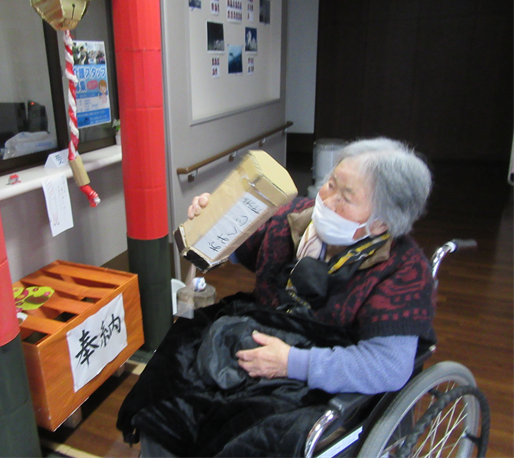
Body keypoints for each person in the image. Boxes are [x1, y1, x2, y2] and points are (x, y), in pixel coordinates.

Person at [118, 137, 435, 457]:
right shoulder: (295, 218)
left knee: (248, 433)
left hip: (316, 371)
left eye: (346, 198)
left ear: (381, 222)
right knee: (168, 390)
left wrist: (291, 363)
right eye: (330, 183)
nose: (327, 199)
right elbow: (241, 245)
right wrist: (213, 221)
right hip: (252, 333)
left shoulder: (403, 271)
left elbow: (388, 365)